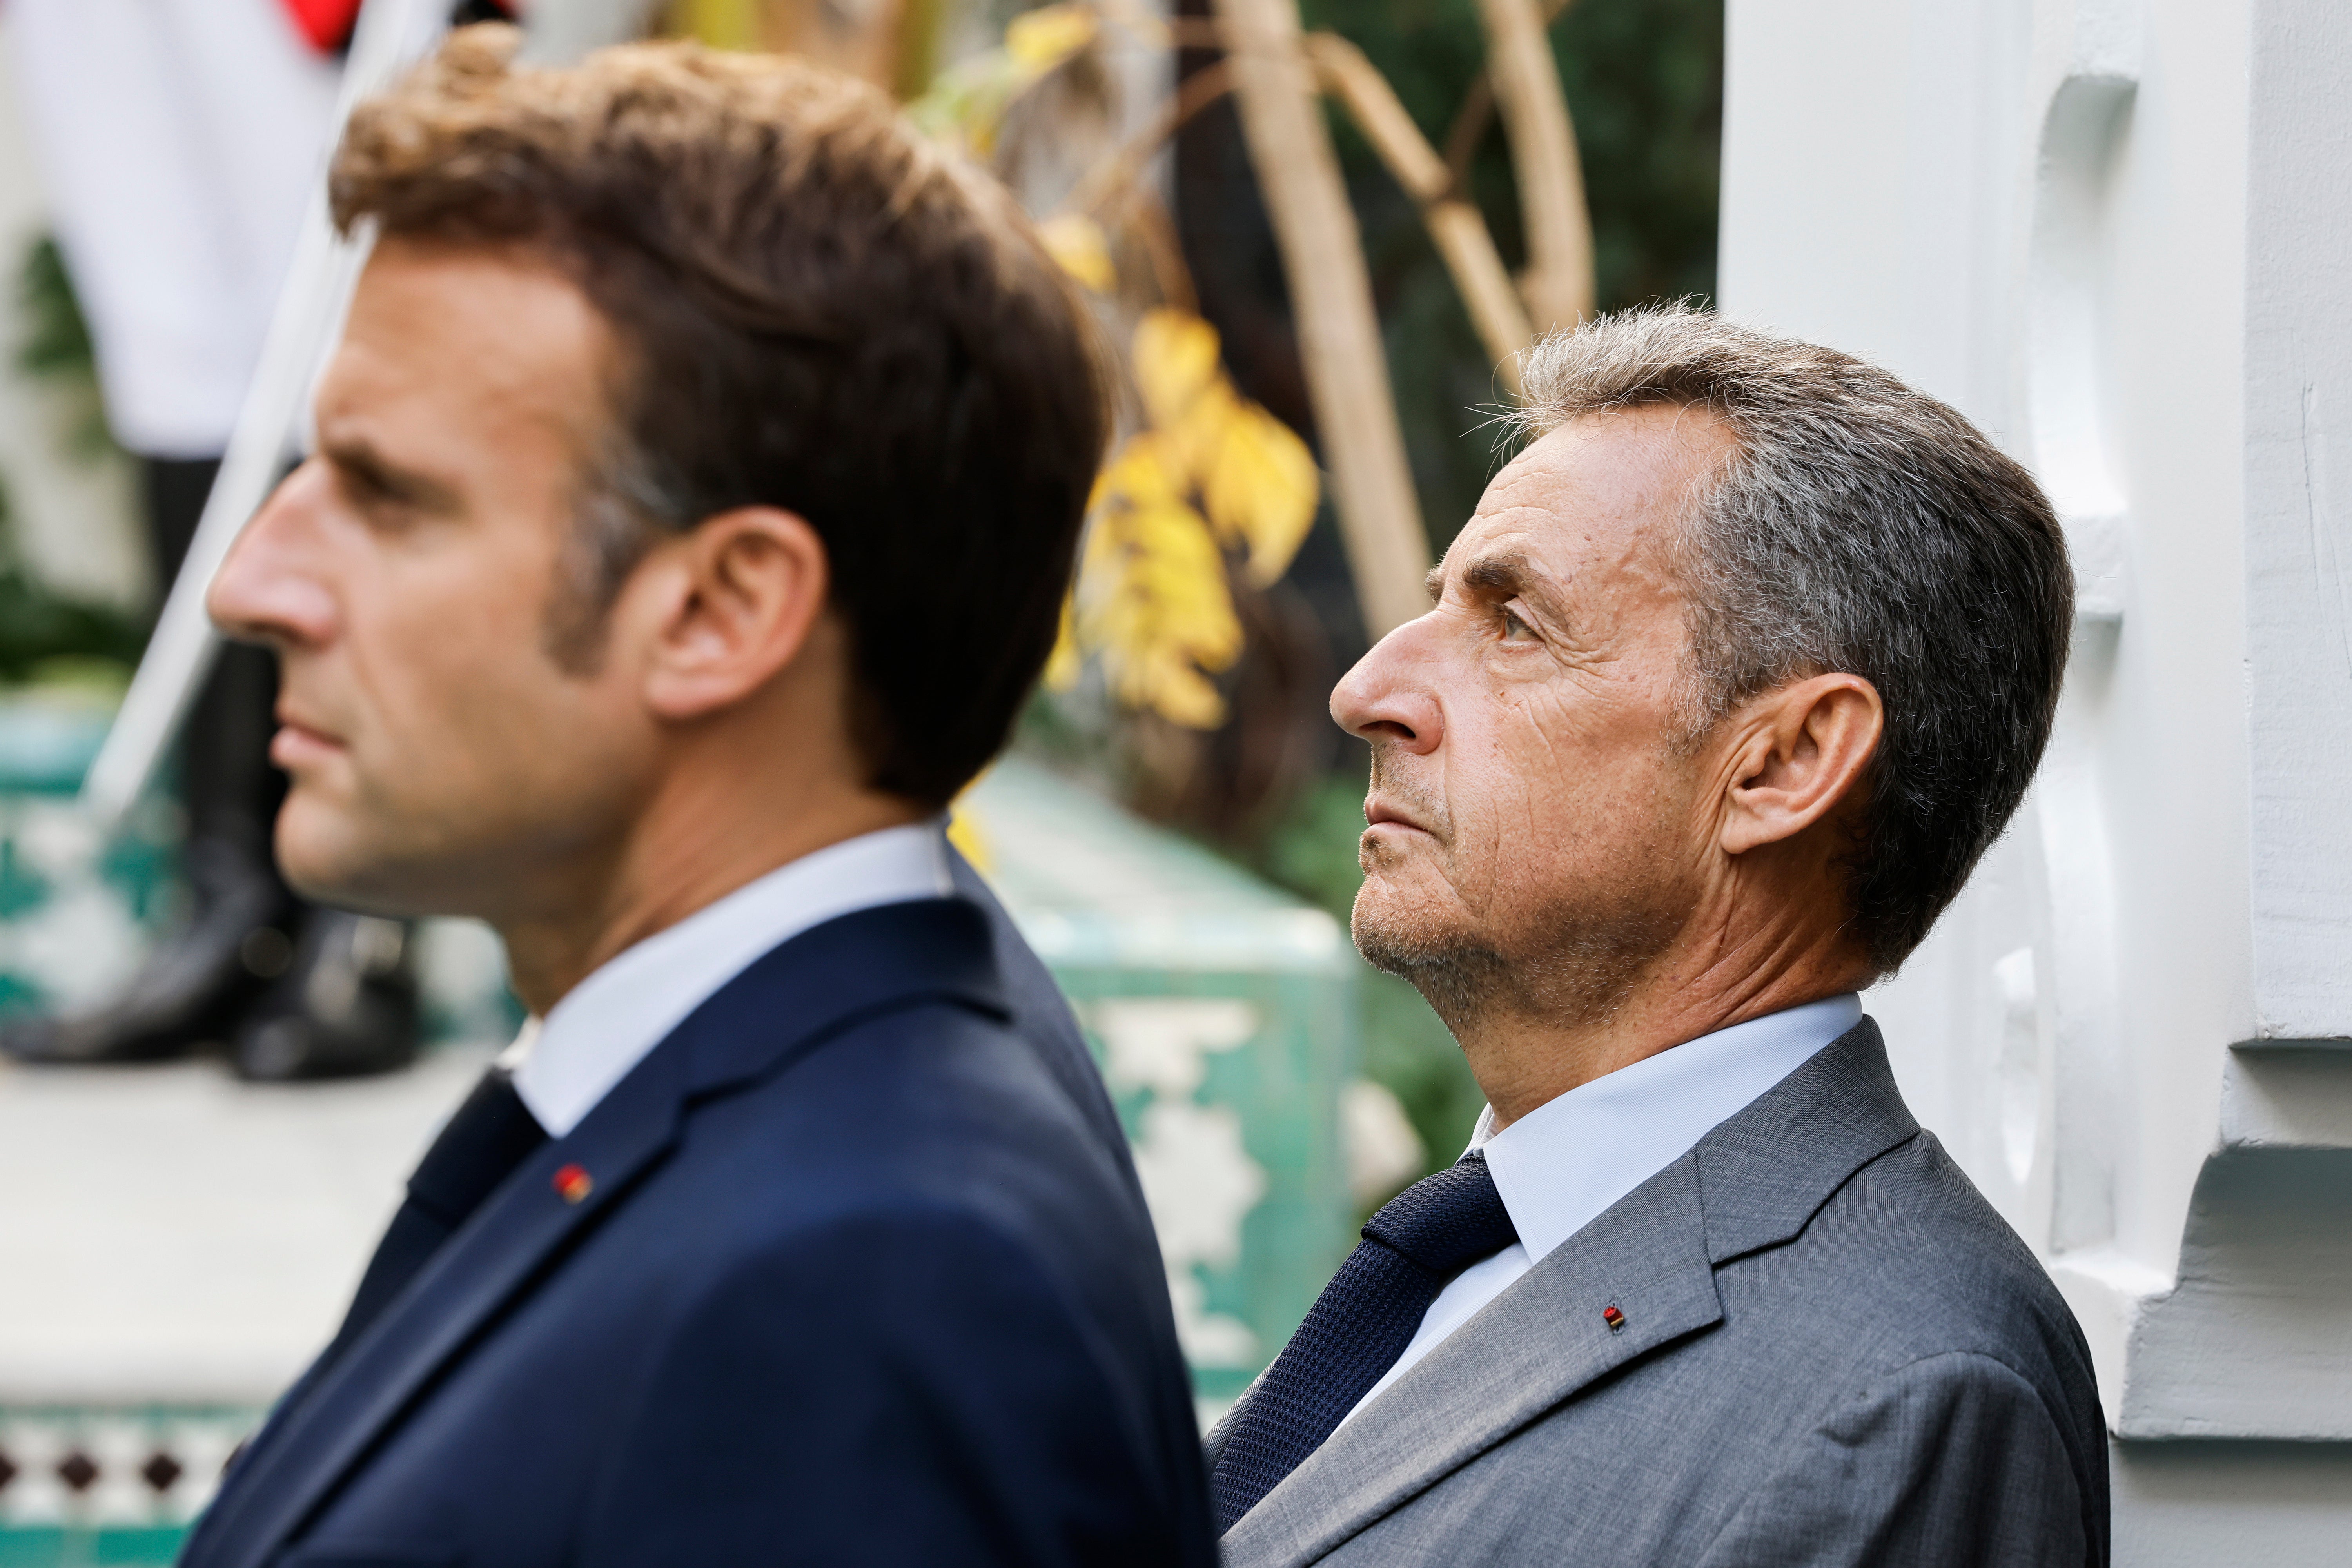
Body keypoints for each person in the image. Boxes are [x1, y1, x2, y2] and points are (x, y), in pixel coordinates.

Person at [175, 27, 1214, 1568]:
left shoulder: (867, 1288)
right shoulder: (801, 1068)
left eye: (387, 495)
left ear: (723, 610)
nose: (250, 585)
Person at [1206, 306, 2107, 1565]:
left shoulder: (1905, 1398)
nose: (1369, 692)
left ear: (1783, 765)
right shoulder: (1476, 1244)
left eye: (1513, 624)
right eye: (1440, 609)